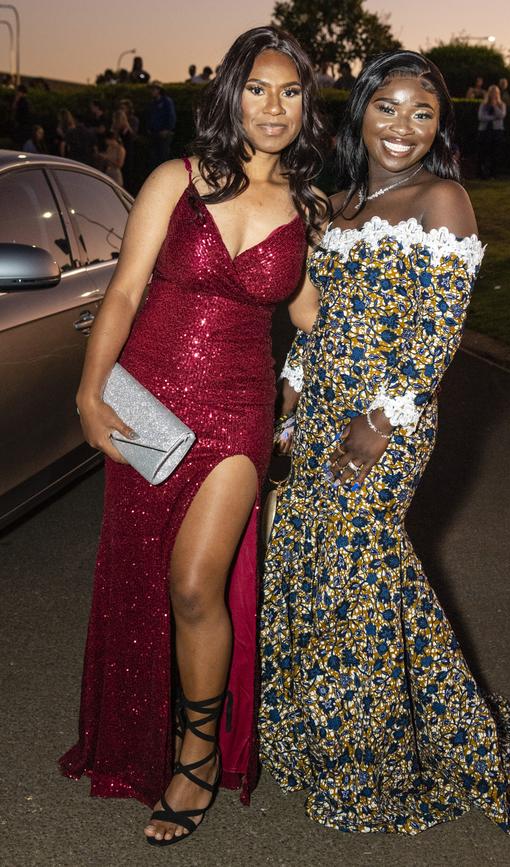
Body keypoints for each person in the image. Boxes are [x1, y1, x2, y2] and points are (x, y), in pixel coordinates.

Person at [259, 48, 510, 837]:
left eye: (423, 112)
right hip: (324, 401)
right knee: (315, 554)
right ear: (361, 110)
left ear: (440, 127)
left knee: (362, 560)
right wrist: (293, 395)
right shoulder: (335, 202)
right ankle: (325, 724)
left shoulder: (445, 201)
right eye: (388, 107)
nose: (402, 127)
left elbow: (436, 338)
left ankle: (375, 754)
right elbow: (319, 321)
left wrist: (374, 425)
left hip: (390, 417)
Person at [58, 25, 328, 847]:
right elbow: (126, 292)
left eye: (290, 92)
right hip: (147, 402)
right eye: (258, 88)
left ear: (307, 106)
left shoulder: (306, 208)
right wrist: (89, 393)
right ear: (232, 94)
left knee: (193, 583)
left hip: (239, 409)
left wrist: (387, 347)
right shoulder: (175, 180)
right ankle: (147, 730)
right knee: (142, 574)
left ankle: (199, 753)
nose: (273, 107)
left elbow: (315, 319)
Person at [477, 84, 506, 179]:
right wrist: (493, 118)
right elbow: (481, 117)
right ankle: (483, 174)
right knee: (484, 152)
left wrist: (495, 106)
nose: (493, 95)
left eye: (495, 93)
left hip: (497, 131)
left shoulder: (502, 105)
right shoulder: (484, 105)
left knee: (496, 153)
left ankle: (494, 173)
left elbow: (501, 115)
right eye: (492, 93)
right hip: (485, 131)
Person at [147, 82, 176, 167]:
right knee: (153, 158)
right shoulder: (152, 103)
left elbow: (171, 116)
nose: (151, 91)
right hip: (154, 134)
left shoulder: (167, 101)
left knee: (163, 158)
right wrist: (149, 128)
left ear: (159, 90)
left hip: (164, 134)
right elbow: (150, 116)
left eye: (153, 89)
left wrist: (167, 130)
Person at [112, 109, 136, 192]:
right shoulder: (122, 131)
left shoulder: (126, 132)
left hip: (126, 156)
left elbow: (127, 146)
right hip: (123, 155)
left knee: (126, 176)